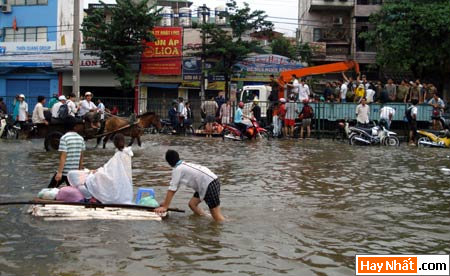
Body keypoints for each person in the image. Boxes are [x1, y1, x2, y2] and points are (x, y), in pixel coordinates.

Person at [155, 150, 225, 222]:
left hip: (209, 183)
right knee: (192, 204)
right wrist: (165, 203)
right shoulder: (182, 165)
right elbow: (174, 188)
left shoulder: (178, 169)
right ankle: (206, 217)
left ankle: (225, 224)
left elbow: (172, 189)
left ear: (169, 162)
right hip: (208, 182)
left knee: (215, 213)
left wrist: (165, 207)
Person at [68, 134, 133, 204]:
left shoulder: (119, 155)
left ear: (114, 143)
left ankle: (90, 198)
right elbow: (112, 168)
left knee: (91, 179)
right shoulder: (126, 153)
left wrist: (97, 171)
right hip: (122, 179)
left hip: (114, 178)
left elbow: (109, 169)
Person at [48, 120, 85, 188]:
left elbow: (63, 156)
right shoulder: (81, 138)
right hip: (74, 172)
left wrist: (59, 172)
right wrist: (79, 171)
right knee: (75, 192)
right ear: (75, 127)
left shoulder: (64, 138)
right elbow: (81, 156)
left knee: (50, 189)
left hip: (65, 172)